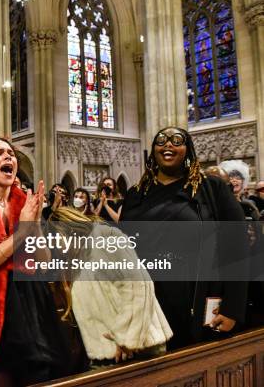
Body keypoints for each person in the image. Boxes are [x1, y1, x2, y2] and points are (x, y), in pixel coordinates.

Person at [121, 127, 248, 350]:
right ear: (153, 151)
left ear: (188, 150)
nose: (168, 144)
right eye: (161, 140)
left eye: (176, 140)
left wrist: (233, 308)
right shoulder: (136, 194)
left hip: (196, 295)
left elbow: (237, 248)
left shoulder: (211, 188)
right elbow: (122, 254)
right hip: (149, 297)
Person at [0, 136, 67, 385]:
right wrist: (21, 233)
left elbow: (43, 261)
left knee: (40, 377)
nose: (9, 157)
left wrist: (34, 223)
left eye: (11, 154)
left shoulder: (23, 203)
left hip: (31, 302)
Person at [49, 207, 172, 366]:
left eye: (57, 239)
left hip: (140, 347)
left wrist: (126, 337)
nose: (57, 247)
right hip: (108, 355)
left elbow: (138, 287)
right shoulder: (76, 258)